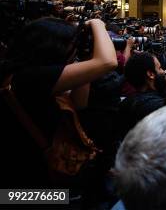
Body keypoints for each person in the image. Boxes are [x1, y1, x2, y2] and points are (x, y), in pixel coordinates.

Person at [1, 17, 117, 187]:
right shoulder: (28, 78)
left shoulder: (31, 76)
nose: (73, 52)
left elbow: (79, 103)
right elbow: (108, 62)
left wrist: (87, 56)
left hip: (43, 170)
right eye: (71, 47)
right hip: (26, 180)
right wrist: (98, 23)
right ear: (53, 48)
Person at [117, 52, 166, 139]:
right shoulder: (154, 106)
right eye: (159, 68)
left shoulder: (127, 102)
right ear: (150, 74)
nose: (163, 71)